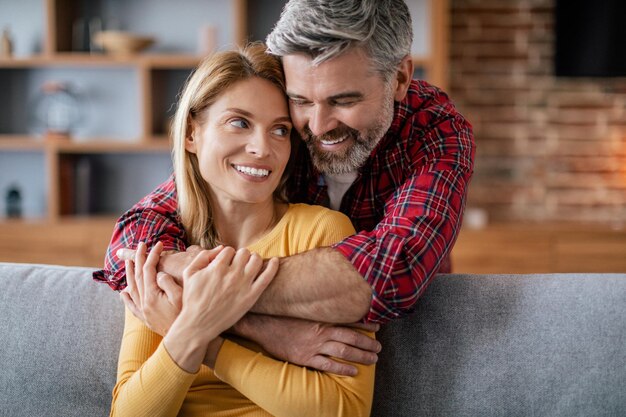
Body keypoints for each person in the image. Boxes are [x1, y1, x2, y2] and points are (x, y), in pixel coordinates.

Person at [95, 0, 474, 376]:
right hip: (280, 358)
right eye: (301, 101)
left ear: (400, 78)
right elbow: (131, 246)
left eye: (343, 100)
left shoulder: (436, 130)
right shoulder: (273, 117)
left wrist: (209, 298)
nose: (319, 125)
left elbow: (391, 270)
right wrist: (264, 331)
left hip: (400, 344)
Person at [108, 43, 375, 416]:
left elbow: (343, 410)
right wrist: (196, 332)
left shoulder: (322, 234)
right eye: (240, 122)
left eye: (280, 130)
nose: (262, 147)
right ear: (191, 134)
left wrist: (207, 339)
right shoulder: (163, 250)